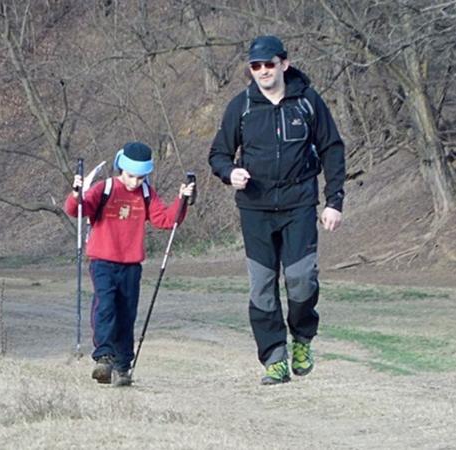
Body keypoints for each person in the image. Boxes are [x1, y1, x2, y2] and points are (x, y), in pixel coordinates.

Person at [208, 35, 346, 385]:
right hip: (254, 208)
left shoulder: (308, 102)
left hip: (299, 204)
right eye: (256, 66)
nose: (263, 71)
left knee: (300, 281)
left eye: (269, 64)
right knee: (262, 287)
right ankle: (274, 358)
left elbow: (332, 149)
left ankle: (302, 339)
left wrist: (334, 202)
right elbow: (218, 155)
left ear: (284, 64)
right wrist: (229, 173)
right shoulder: (241, 107)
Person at [64, 142, 195, 387]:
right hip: (102, 261)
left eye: (140, 177)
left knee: (126, 315)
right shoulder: (105, 188)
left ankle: (123, 367)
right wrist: (75, 194)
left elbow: (166, 220)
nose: (135, 182)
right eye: (131, 176)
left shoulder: (146, 193)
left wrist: (182, 200)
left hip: (131, 265)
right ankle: (103, 358)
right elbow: (77, 209)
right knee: (105, 307)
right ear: (120, 169)